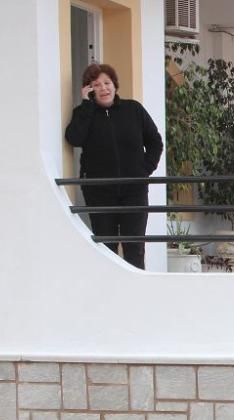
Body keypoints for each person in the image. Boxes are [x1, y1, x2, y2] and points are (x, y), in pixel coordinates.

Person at [64, 64, 163, 269]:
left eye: (107, 83)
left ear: (115, 85)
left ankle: (135, 297)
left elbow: (155, 141)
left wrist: (144, 170)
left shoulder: (133, 109)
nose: (103, 88)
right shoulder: (85, 113)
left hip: (133, 191)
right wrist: (86, 106)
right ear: (89, 90)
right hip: (99, 193)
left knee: (134, 248)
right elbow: (74, 138)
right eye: (96, 85)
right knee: (106, 248)